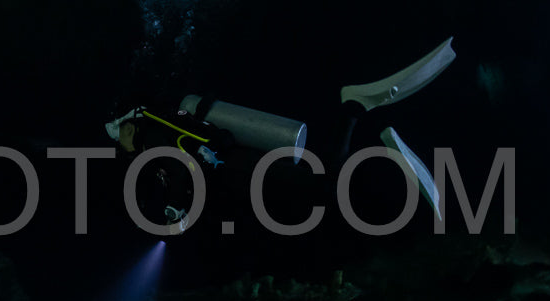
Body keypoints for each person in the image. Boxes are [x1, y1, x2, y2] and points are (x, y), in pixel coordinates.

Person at [105, 38, 457, 232]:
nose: (119, 148)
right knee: (326, 190)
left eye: (116, 138)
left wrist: (176, 208)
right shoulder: (154, 136)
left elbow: (182, 161)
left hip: (239, 166)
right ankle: (376, 141)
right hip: (241, 168)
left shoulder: (152, 136)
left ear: (128, 125)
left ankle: (354, 108)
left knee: (325, 189)